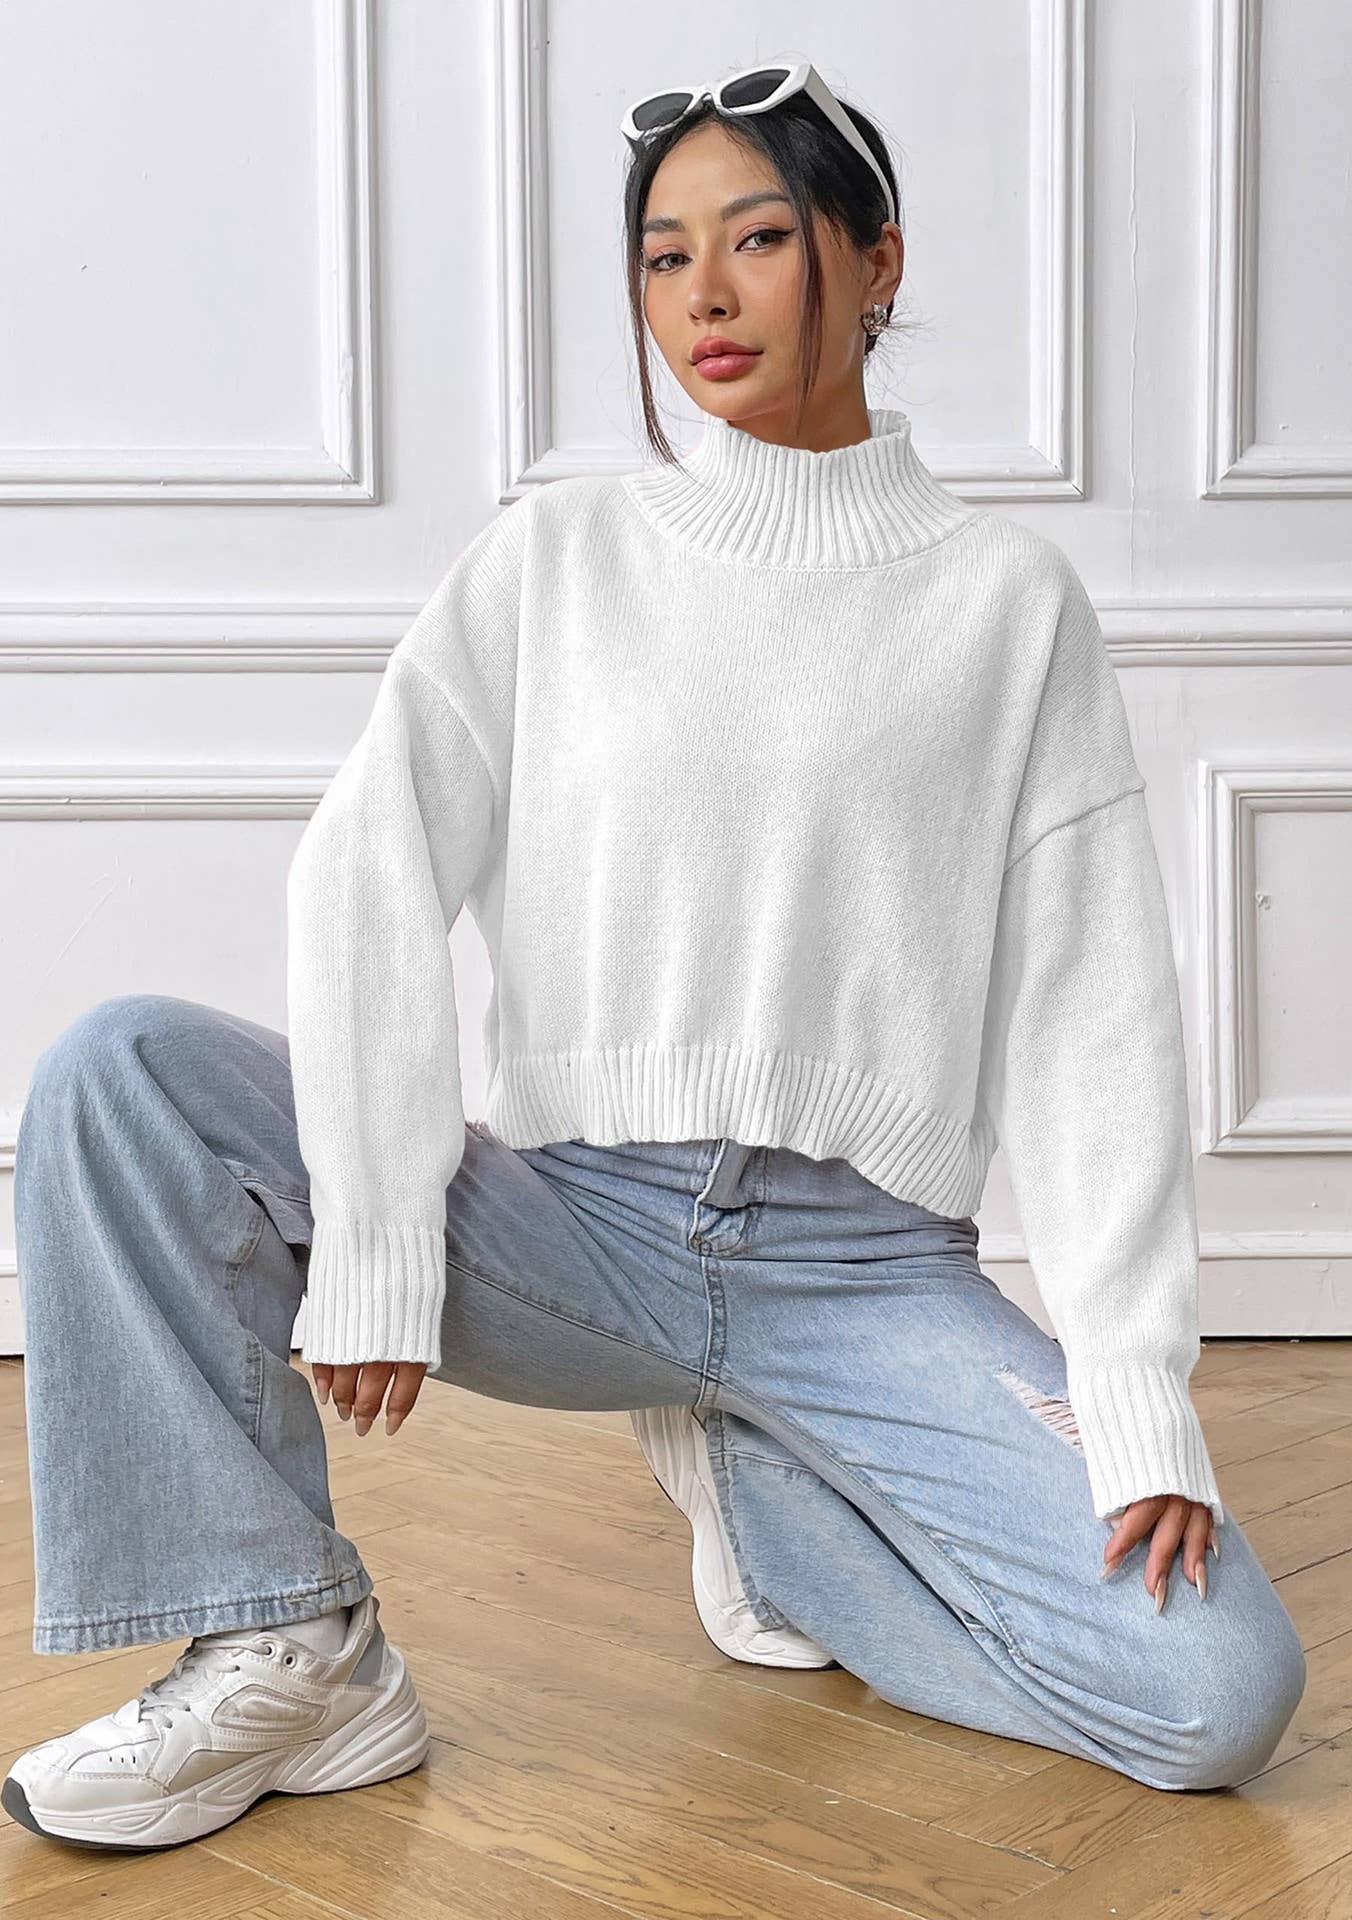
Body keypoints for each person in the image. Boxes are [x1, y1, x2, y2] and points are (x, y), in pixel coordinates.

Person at [7, 56, 1305, 1852]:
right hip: (574, 1227)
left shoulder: (1008, 605)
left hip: (864, 1272)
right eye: (663, 255)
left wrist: (1135, 1392)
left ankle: (776, 1508)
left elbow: (1095, 1013)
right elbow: (369, 866)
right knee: (121, 1073)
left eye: (757, 239)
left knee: (1218, 1696)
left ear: (875, 258)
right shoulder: (558, 559)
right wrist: (378, 1235)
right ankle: (293, 1644)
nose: (704, 294)